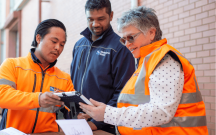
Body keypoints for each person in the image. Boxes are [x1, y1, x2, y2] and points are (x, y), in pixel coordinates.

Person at [79, 6, 208, 135]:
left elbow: (161, 112)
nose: (127, 44)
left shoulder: (164, 59)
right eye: (124, 39)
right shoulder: (146, 61)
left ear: (151, 33)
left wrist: (108, 113)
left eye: (131, 37)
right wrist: (100, 112)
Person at [0, 19, 74, 134]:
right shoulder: (12, 65)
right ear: (38, 38)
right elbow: (2, 96)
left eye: (62, 44)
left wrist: (79, 115)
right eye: (54, 41)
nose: (58, 48)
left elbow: (70, 111)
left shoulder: (64, 78)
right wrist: (38, 99)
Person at [70, 0, 135, 134]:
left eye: (101, 19)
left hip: (104, 128)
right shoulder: (79, 45)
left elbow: (123, 93)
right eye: (90, 19)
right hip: (77, 123)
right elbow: (72, 84)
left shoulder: (120, 48)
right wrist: (72, 114)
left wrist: (95, 123)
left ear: (111, 16)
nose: (95, 24)